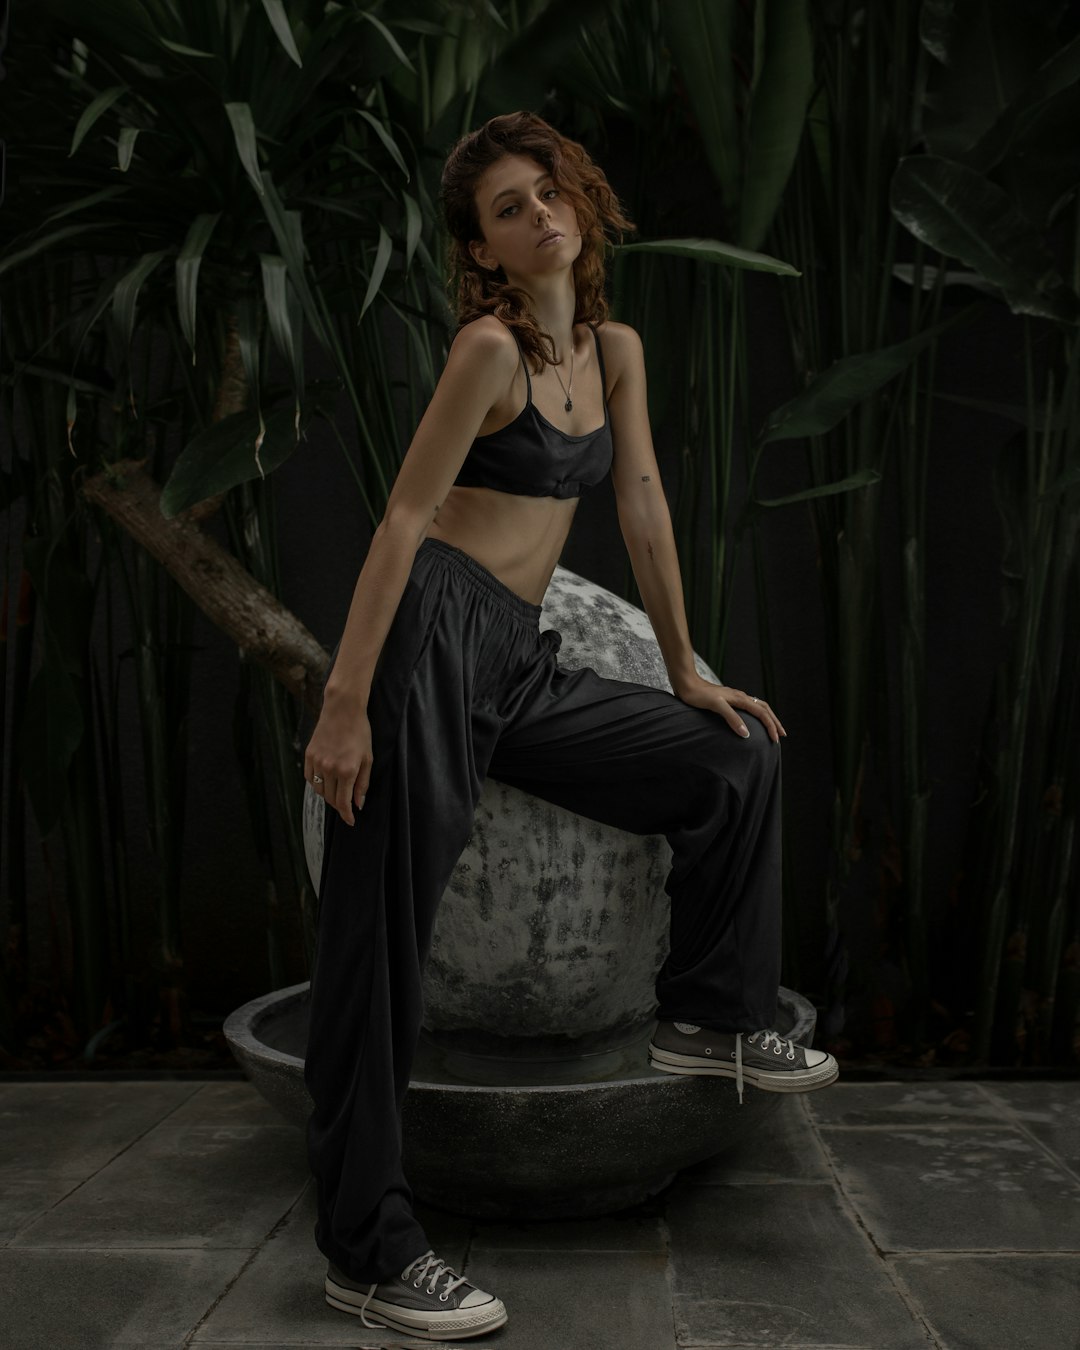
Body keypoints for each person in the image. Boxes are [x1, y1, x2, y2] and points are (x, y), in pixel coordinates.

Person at [301, 109, 839, 1342]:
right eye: (507, 207)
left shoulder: (616, 350)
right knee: (375, 949)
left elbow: (642, 506)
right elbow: (399, 520)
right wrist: (345, 702)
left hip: (519, 661)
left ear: (579, 205)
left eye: (549, 192)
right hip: (430, 645)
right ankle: (369, 1251)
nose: (539, 214)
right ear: (484, 252)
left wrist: (682, 671)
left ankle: (709, 1016)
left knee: (732, 758)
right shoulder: (485, 352)